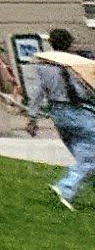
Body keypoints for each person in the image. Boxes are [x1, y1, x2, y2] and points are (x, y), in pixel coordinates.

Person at [30, 30, 95, 209]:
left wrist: (32, 116)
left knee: (84, 155)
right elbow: (86, 91)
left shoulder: (44, 66)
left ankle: (70, 190)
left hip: (58, 113)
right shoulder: (77, 66)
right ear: (69, 44)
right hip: (79, 112)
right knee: (91, 158)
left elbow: (37, 92)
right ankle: (65, 187)